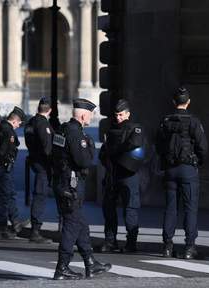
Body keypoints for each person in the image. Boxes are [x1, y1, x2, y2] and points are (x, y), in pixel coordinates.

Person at [52, 98, 111, 280]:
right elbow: (84, 161)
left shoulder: (62, 129)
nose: (92, 118)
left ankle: (90, 263)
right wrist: (91, 147)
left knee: (80, 224)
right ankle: (62, 267)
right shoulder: (76, 134)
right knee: (71, 225)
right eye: (91, 115)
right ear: (84, 115)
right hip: (71, 186)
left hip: (63, 182)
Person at [156, 87, 208, 259]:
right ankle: (189, 248)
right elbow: (203, 147)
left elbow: (158, 144)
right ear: (188, 101)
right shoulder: (193, 121)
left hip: (170, 169)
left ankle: (167, 246)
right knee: (190, 209)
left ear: (173, 102)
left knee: (171, 209)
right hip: (188, 169)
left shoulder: (165, 120)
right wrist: (198, 162)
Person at [99, 99, 144, 253]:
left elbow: (135, 144)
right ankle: (111, 241)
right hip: (113, 174)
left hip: (128, 175)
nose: (118, 117)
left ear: (128, 114)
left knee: (130, 209)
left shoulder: (135, 129)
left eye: (121, 114)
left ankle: (131, 243)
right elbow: (102, 154)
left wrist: (114, 151)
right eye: (116, 114)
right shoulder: (111, 131)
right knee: (109, 209)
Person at [0, 106, 26, 239]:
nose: (19, 126)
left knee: (6, 196)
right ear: (15, 121)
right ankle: (4, 228)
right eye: (19, 123)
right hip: (3, 168)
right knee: (5, 197)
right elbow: (3, 151)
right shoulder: (8, 131)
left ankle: (14, 223)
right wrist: (0, 163)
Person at [24, 97, 54, 243]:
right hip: (42, 164)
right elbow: (47, 147)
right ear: (50, 110)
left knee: (39, 194)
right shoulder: (43, 124)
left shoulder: (30, 122)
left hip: (34, 160)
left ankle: (35, 228)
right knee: (40, 196)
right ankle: (35, 230)